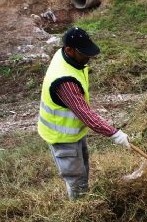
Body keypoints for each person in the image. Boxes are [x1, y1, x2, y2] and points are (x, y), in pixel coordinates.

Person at [38, 26, 130, 200]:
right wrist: (115, 134)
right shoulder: (64, 81)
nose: (89, 58)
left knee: (83, 169)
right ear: (69, 50)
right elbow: (86, 114)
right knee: (76, 178)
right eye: (84, 53)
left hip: (73, 132)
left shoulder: (67, 57)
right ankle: (80, 210)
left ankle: (83, 197)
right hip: (62, 137)